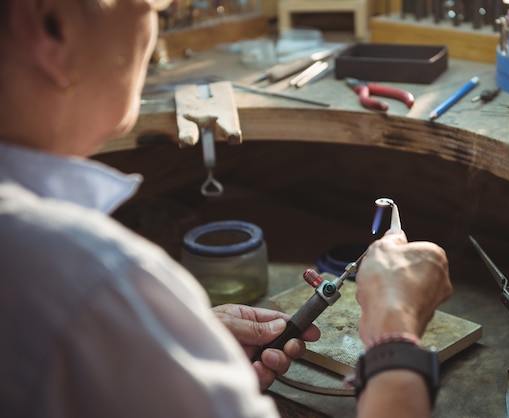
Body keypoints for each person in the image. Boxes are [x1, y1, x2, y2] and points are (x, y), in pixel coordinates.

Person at [0, 1, 453, 417]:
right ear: (49, 27)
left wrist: (171, 344)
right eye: (154, 4)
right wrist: (396, 331)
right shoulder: (96, 282)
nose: (154, 28)